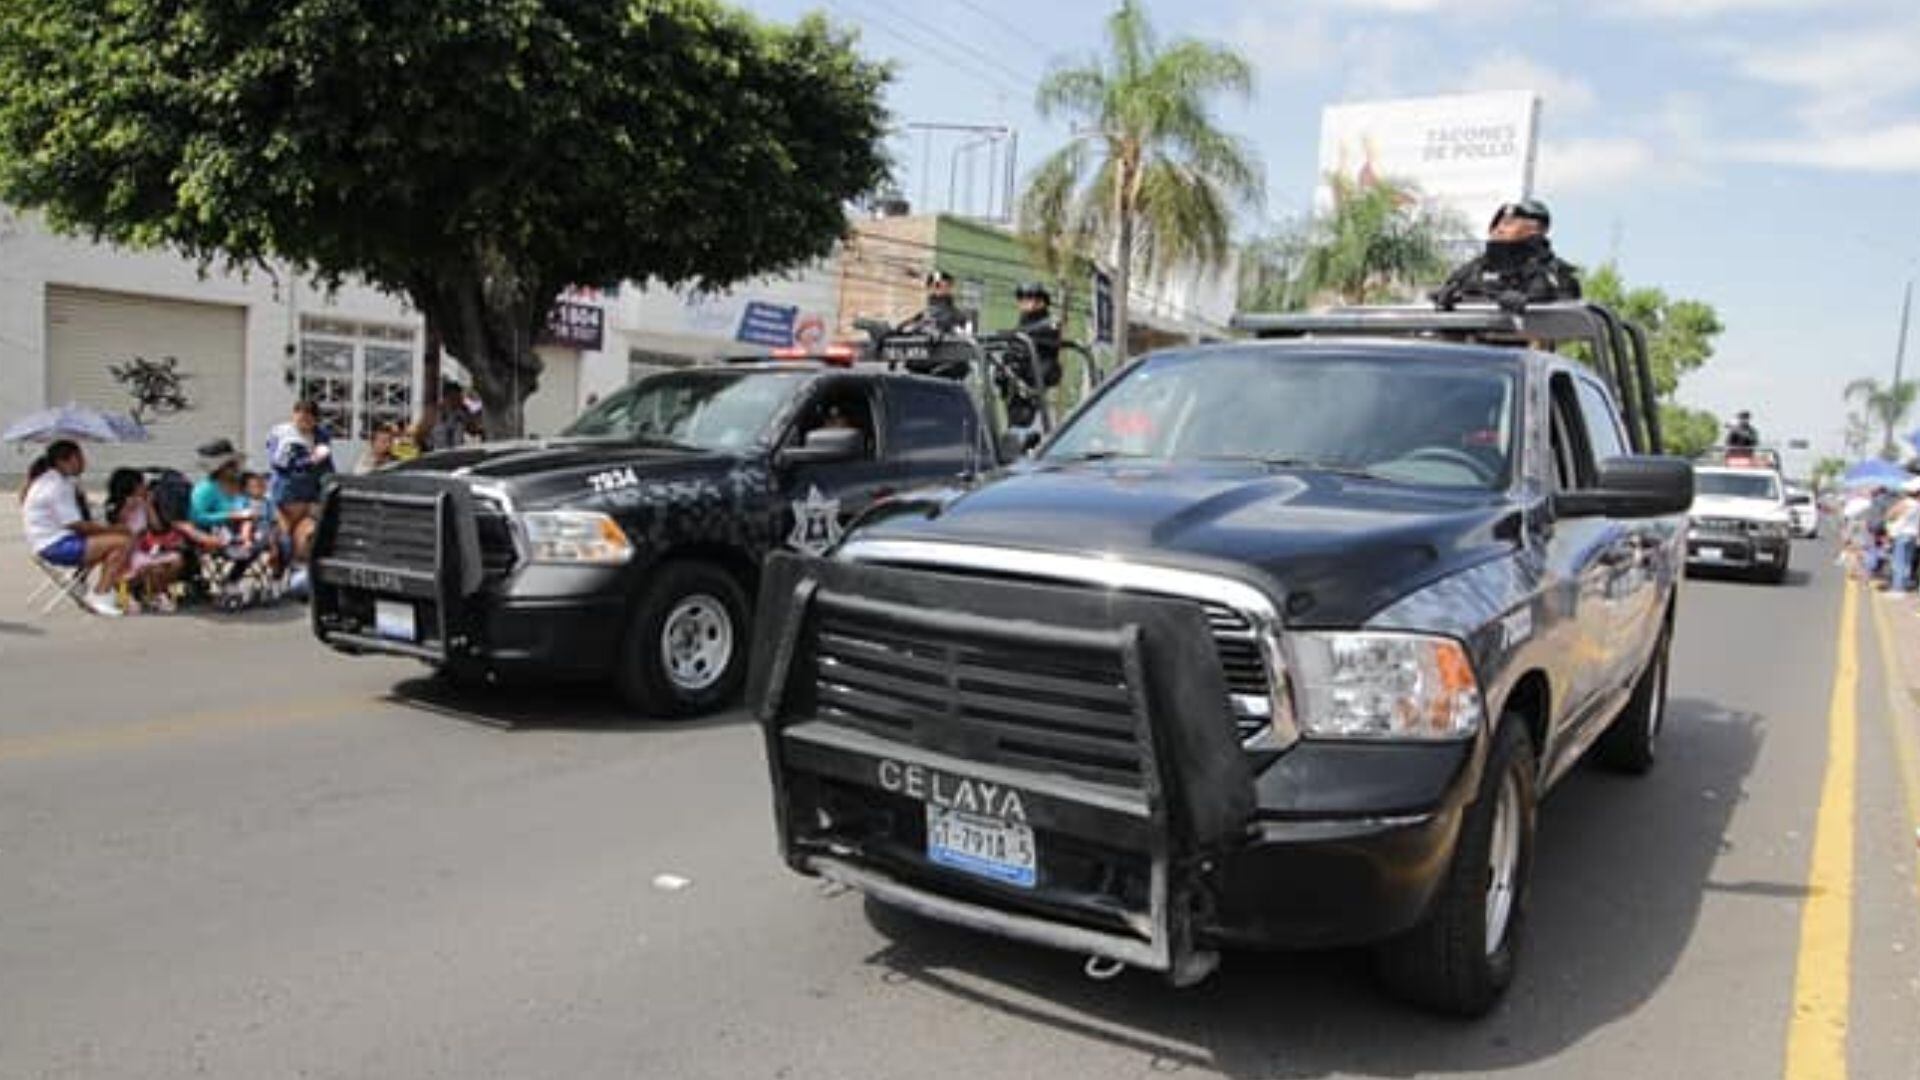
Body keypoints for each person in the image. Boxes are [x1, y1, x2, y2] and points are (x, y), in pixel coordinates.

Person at [20, 440, 130, 617]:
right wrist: (114, 530)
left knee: (109, 542)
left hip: (48, 540)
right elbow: (77, 525)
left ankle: (86, 582)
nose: (84, 462)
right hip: (55, 545)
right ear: (64, 461)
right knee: (122, 542)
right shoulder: (56, 486)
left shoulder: (53, 479)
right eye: (79, 458)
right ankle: (101, 595)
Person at [1433, 199, 1583, 312]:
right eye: (1497, 224)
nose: (1498, 229)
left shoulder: (1555, 273)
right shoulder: (1474, 269)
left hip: (1527, 352)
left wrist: (1528, 305)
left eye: (1508, 223)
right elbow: (1444, 294)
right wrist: (1445, 299)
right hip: (1473, 350)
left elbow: (1569, 316)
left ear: (1535, 229)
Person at [105, 468, 185, 613]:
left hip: (144, 548)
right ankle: (124, 592)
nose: (145, 487)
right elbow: (117, 525)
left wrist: (148, 505)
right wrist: (128, 506)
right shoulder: (114, 505)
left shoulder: (143, 503)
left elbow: (156, 526)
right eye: (141, 484)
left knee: (174, 561)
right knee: (145, 568)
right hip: (124, 551)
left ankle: (155, 593)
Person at [265, 401, 334, 564]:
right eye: (300, 415)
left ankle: (298, 576)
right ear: (294, 415)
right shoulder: (281, 433)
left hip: (311, 496)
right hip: (285, 497)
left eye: (309, 417)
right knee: (285, 540)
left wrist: (329, 482)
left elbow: (327, 465)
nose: (304, 420)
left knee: (308, 538)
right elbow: (278, 462)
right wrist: (309, 461)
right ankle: (279, 571)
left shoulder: (321, 434)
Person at [1012, 282, 1064, 389]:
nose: (1025, 302)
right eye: (1022, 298)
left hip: (1040, 368)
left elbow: (1049, 338)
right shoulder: (1023, 320)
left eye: (1030, 298)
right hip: (1021, 371)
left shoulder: (1050, 322)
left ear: (1042, 302)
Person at [901, 271, 974, 336]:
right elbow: (905, 328)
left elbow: (966, 336)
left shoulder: (959, 317)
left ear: (950, 288)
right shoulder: (922, 315)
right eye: (930, 286)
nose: (934, 289)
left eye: (938, 285)